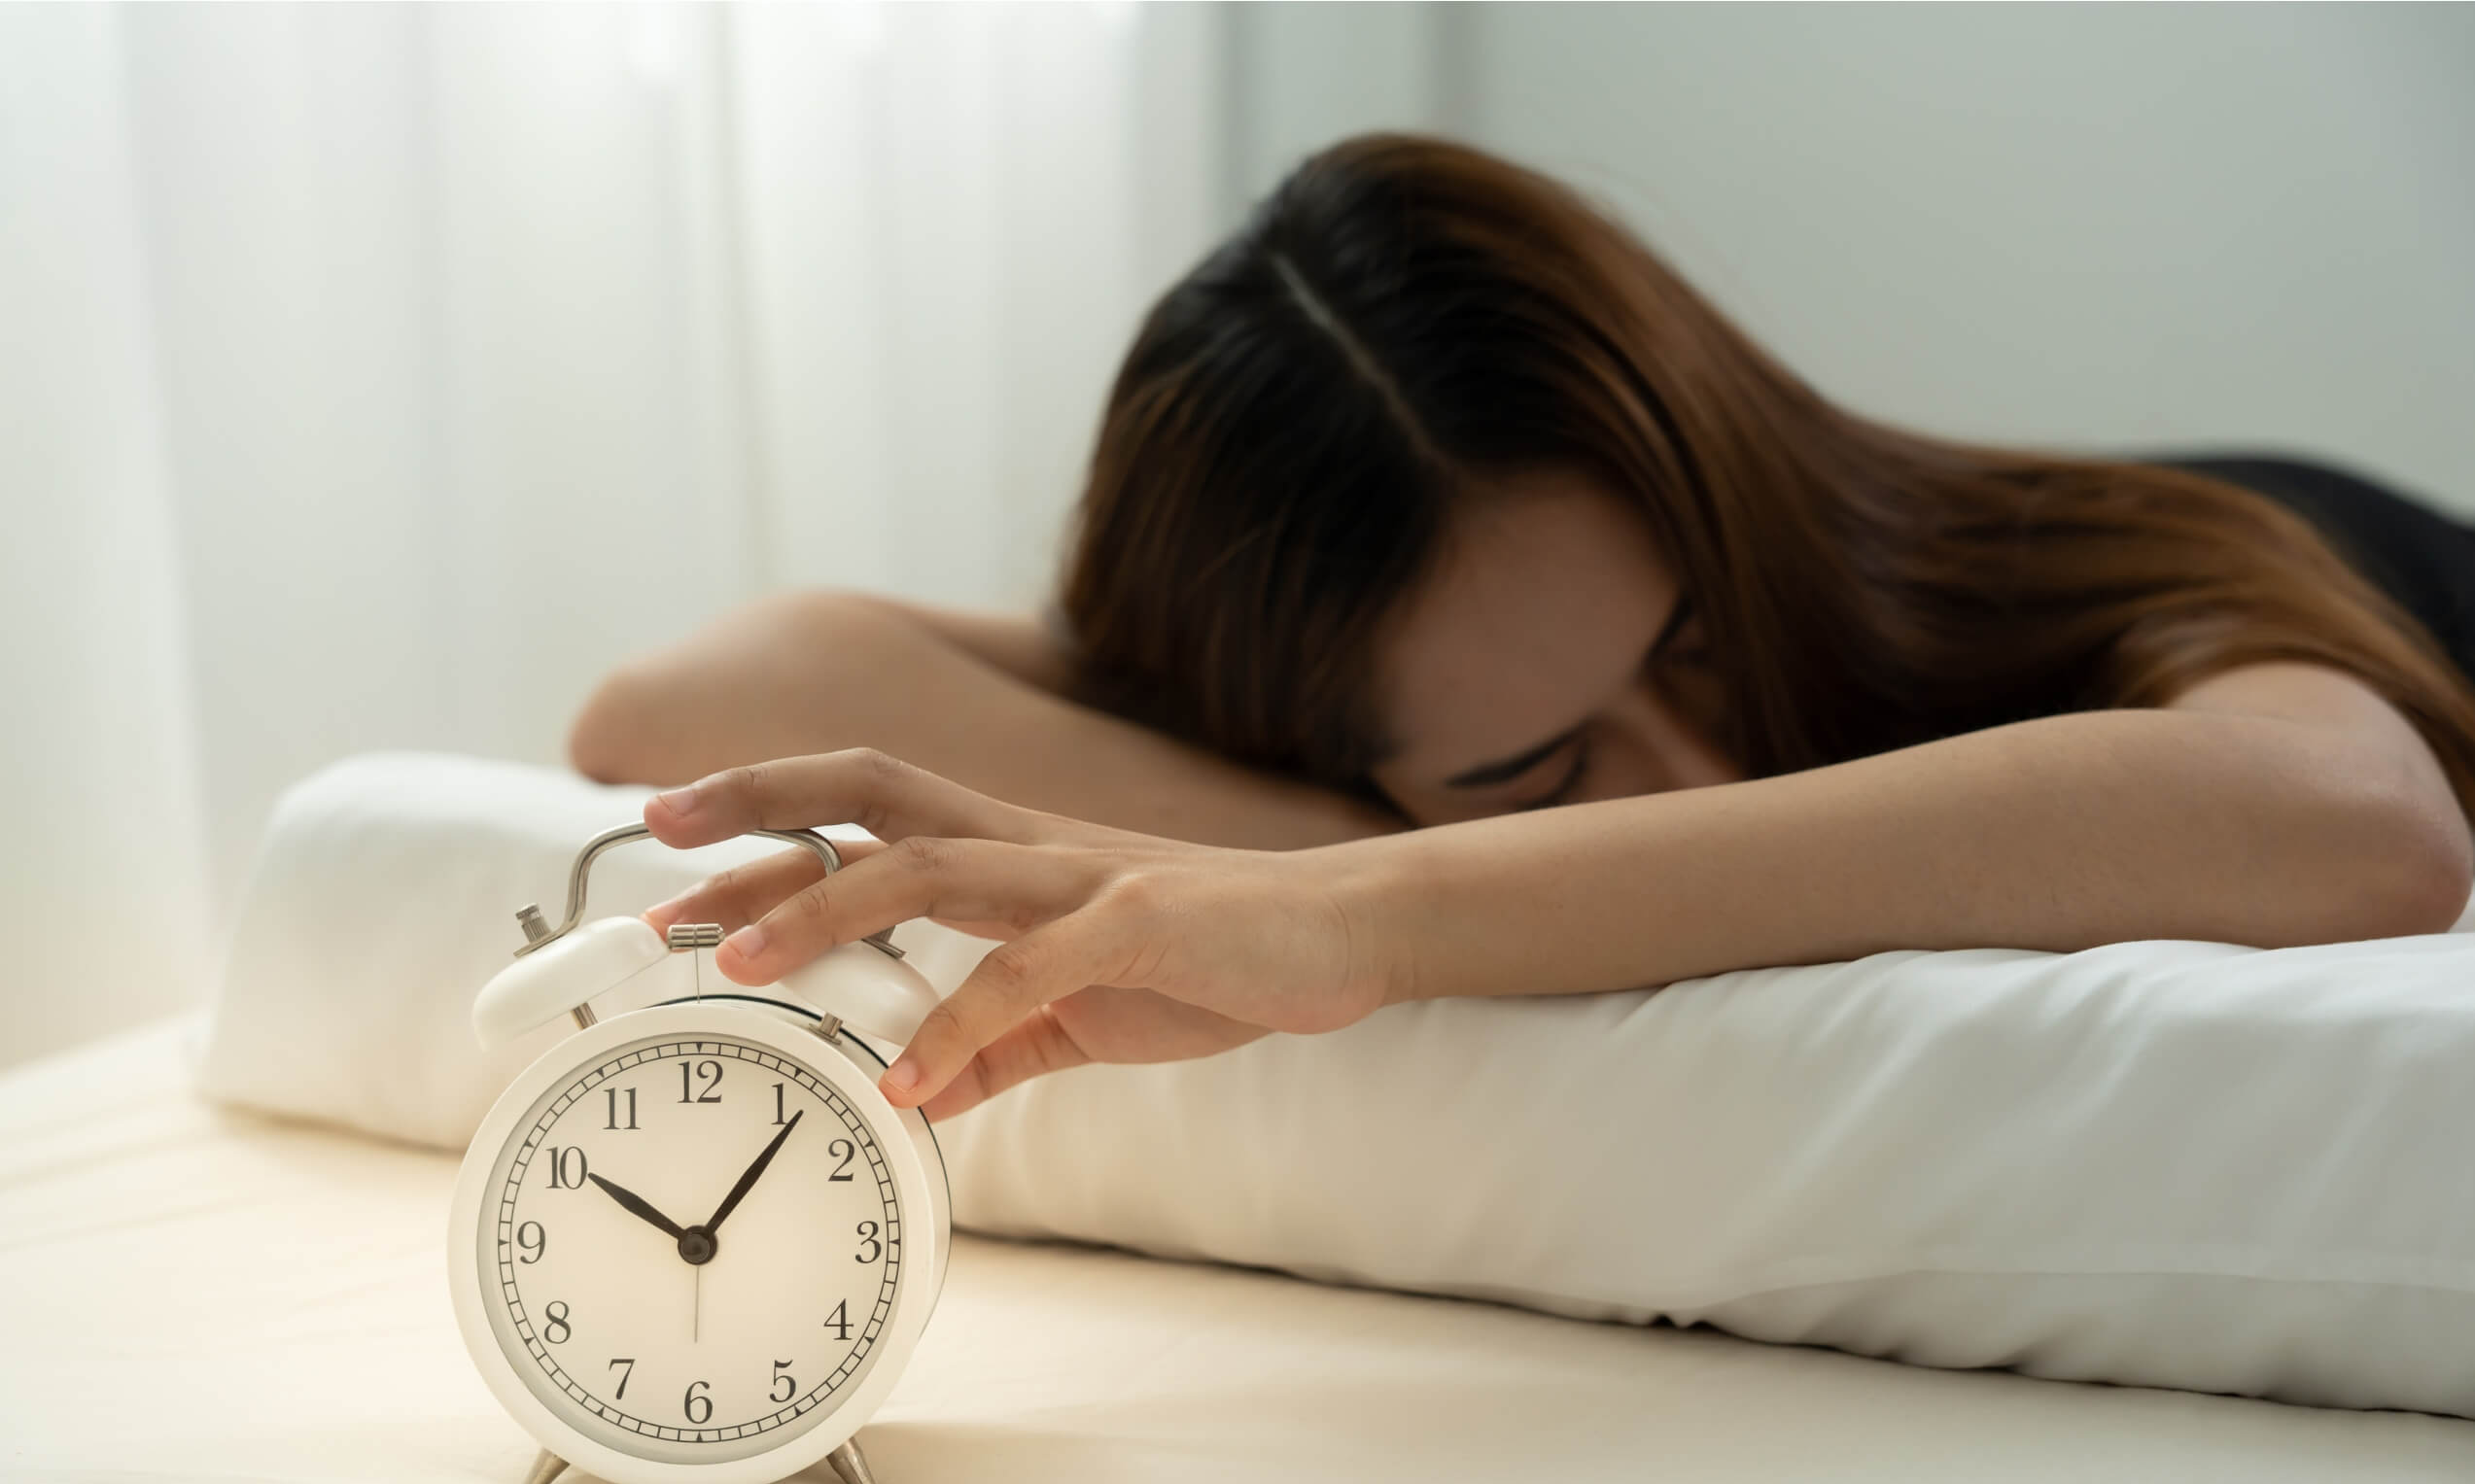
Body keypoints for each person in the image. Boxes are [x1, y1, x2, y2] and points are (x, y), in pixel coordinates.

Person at [573, 134, 2475, 1122]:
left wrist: (1367, 909)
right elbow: (682, 709)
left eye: (1705, 642)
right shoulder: (1317, 746)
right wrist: (1256, 858)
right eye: (1530, 769)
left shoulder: (2141, 566)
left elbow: (2365, 830)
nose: (1687, 774)